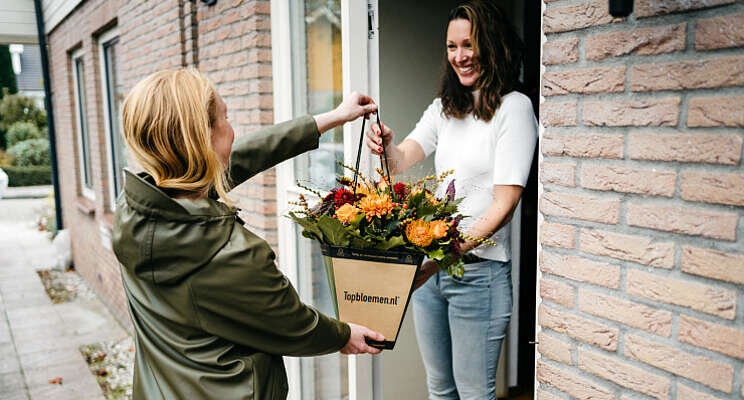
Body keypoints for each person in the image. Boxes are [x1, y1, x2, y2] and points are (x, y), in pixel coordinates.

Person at [113, 68, 383, 400]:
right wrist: (343, 336)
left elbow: (238, 157)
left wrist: (331, 119)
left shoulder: (135, 211)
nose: (232, 129)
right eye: (225, 118)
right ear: (203, 140)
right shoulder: (230, 253)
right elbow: (293, 324)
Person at [366, 2, 537, 399]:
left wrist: (444, 256)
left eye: (468, 44)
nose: (460, 56)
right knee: (440, 389)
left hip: (478, 275)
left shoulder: (514, 108)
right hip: (431, 270)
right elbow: (403, 158)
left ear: (492, 44)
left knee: (474, 394)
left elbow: (504, 204)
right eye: (451, 46)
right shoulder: (447, 107)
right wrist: (386, 145)